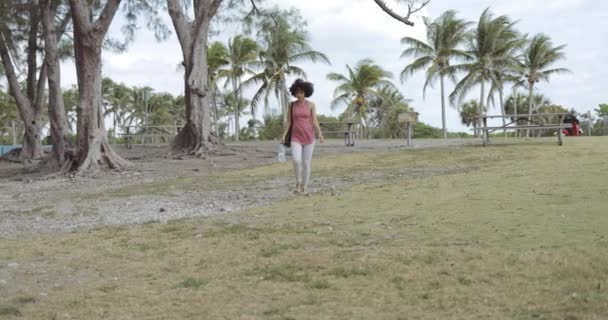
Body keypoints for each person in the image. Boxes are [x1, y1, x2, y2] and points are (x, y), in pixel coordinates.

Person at [280, 79, 324, 194]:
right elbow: (289, 122)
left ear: (306, 92)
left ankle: (304, 186)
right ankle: (298, 182)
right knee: (296, 160)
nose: (299, 94)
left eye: (301, 92)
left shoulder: (311, 105)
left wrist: (319, 133)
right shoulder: (291, 105)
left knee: (306, 163)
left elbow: (314, 120)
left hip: (309, 138)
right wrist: (284, 135)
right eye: (297, 92)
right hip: (296, 138)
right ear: (294, 92)